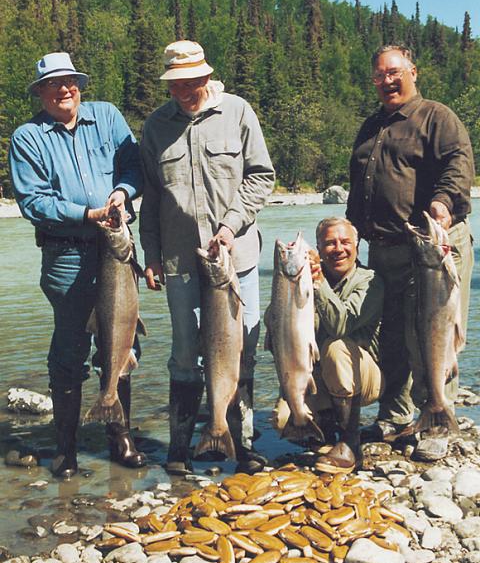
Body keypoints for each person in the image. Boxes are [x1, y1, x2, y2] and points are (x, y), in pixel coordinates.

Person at [139, 40, 275, 475]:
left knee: (242, 348)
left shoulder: (238, 112)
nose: (183, 90)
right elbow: (152, 198)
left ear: (205, 75)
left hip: (237, 258)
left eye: (190, 81)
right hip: (179, 260)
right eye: (175, 83)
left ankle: (242, 442)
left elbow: (261, 176)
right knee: (184, 352)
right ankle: (180, 446)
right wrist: (151, 254)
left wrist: (229, 225)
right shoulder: (156, 126)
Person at [9, 52, 146, 478]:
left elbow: (132, 165)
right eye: (53, 83)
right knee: (70, 349)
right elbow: (33, 201)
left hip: (117, 249)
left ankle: (119, 435)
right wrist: (87, 215)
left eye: (69, 81)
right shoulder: (28, 137)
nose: (64, 89)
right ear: (40, 92)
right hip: (66, 255)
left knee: (123, 342)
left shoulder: (107, 116)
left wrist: (122, 193)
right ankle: (65, 447)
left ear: (79, 85)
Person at [347, 44, 474, 460]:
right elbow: (359, 187)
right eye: (379, 75)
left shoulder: (436, 116)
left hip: (432, 246)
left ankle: (438, 414)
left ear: (413, 72)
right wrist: (351, 234)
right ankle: (395, 414)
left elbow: (459, 162)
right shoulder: (371, 126)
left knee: (434, 334)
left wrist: (442, 202)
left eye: (394, 72)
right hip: (384, 249)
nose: (387, 81)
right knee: (393, 336)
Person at [273, 217, 384, 474]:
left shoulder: (370, 281)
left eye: (345, 242)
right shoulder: (302, 279)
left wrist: (320, 284)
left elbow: (340, 325)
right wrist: (287, 289)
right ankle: (326, 425)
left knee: (336, 347)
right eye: (329, 243)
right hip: (320, 376)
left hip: (364, 378)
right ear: (319, 249)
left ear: (357, 246)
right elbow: (277, 327)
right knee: (283, 420)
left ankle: (350, 441)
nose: (338, 249)